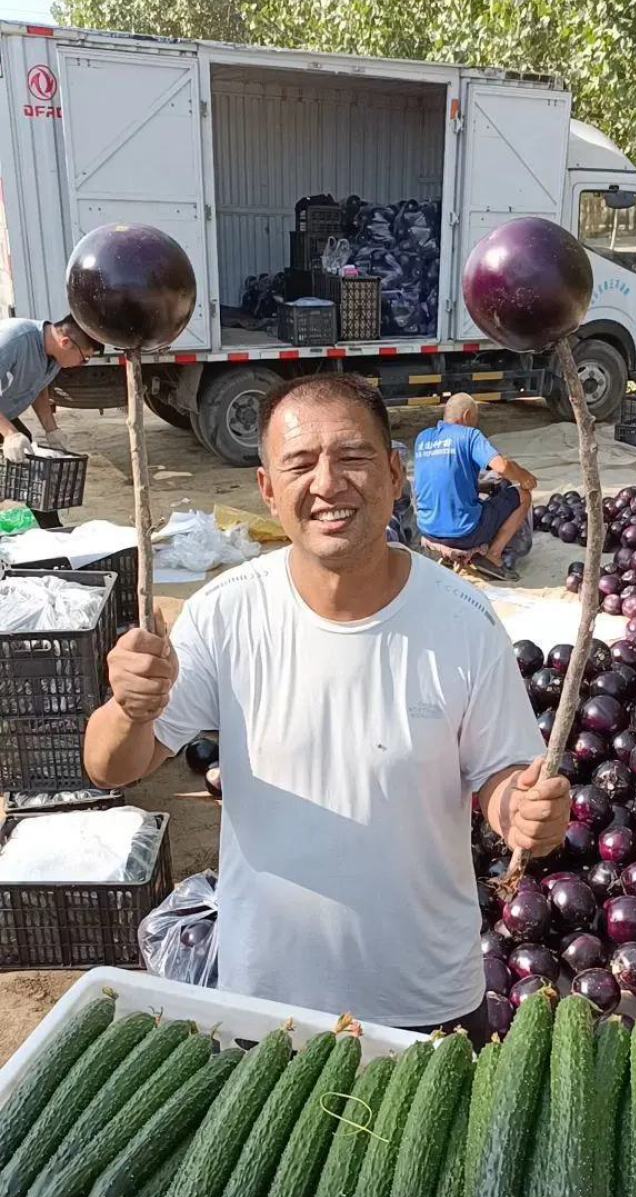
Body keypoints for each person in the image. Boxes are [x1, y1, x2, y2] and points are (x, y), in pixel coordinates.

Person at [84, 373, 569, 1044]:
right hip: (268, 1003)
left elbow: (500, 777)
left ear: (395, 473)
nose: (328, 482)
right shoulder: (227, 613)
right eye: (301, 464)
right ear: (267, 491)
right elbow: (113, 766)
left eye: (354, 457)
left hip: (426, 1001)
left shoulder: (462, 617)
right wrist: (129, 709)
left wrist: (524, 812)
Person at [413, 392, 537, 581]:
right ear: (467, 416)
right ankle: (493, 556)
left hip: (428, 530)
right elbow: (502, 466)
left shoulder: (423, 438)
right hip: (465, 533)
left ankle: (445, 552)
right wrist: (525, 476)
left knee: (484, 492)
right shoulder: (469, 435)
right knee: (523, 496)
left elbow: (445, 481)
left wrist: (481, 486)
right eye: (475, 419)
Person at [0, 314, 101, 527]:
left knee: (28, 457)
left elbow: (37, 388)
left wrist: (51, 429)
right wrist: (9, 433)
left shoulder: (53, 354)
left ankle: (53, 532)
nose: (83, 364)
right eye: (85, 358)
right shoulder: (12, 339)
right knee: (16, 451)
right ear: (66, 343)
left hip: (5, 413)